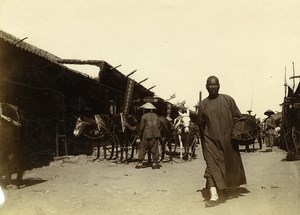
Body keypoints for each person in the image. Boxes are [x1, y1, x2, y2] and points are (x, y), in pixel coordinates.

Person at [198, 75, 247, 207]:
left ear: (219, 85)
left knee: (228, 166)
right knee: (211, 166)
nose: (213, 87)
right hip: (210, 141)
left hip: (228, 141)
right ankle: (214, 196)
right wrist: (205, 142)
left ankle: (225, 188)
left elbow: (238, 118)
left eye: (215, 84)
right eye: (210, 85)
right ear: (206, 87)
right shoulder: (203, 104)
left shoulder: (228, 100)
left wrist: (235, 134)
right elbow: (201, 125)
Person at [135, 102, 161, 170]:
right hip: (155, 135)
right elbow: (158, 126)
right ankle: (154, 163)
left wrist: (139, 135)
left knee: (142, 148)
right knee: (155, 149)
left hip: (146, 135)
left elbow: (141, 127)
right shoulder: (156, 116)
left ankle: (140, 163)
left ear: (146, 109)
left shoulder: (144, 116)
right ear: (152, 109)